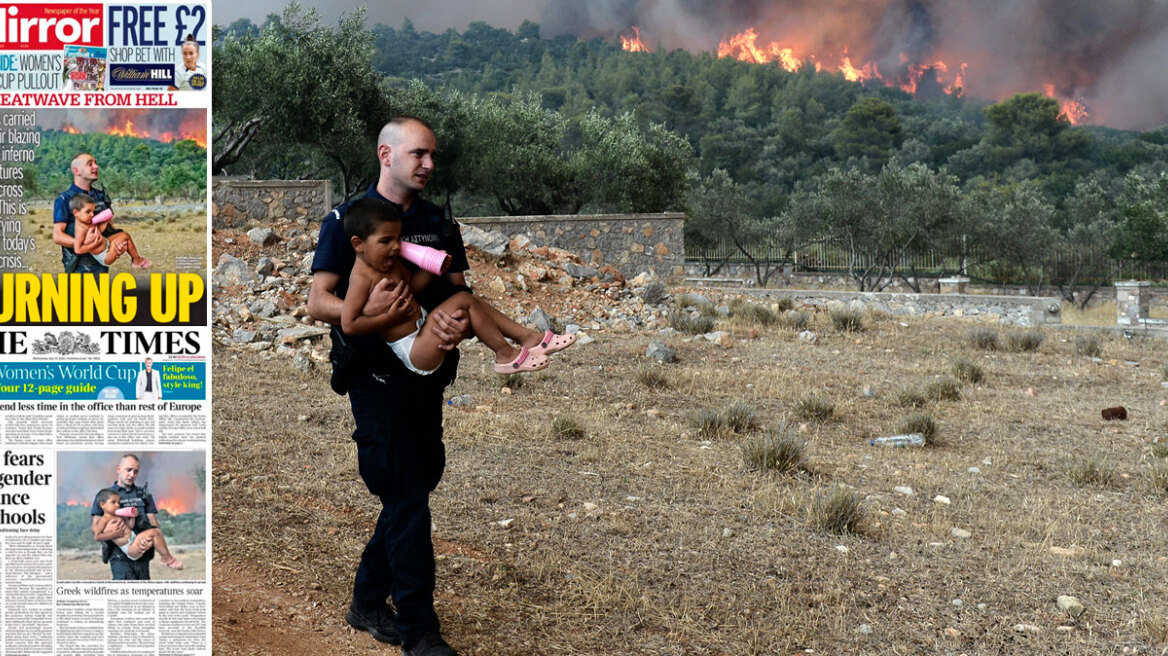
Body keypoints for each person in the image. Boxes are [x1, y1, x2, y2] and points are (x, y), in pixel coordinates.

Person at [309, 116, 506, 656]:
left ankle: (367, 600)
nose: (429, 165)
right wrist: (363, 307)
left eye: (433, 156)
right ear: (386, 154)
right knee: (404, 491)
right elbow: (317, 300)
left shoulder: (440, 224)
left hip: (426, 372)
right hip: (372, 378)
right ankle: (419, 628)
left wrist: (453, 323)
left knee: (415, 486)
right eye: (419, 154)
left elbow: (459, 291)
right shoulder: (348, 219)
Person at [342, 198, 574, 375]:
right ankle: (506, 354)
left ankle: (529, 339)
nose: (395, 247)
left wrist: (433, 269)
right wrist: (389, 318)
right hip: (413, 349)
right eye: (385, 241)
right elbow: (349, 324)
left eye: (397, 239)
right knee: (464, 299)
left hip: (423, 329)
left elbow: (412, 286)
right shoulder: (361, 277)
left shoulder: (389, 263)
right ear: (358, 244)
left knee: (469, 304)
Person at [53, 153, 151, 273]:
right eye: (90, 164)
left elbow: (109, 227)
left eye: (96, 163)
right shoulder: (65, 199)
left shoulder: (100, 195)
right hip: (79, 268)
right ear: (76, 171)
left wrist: (116, 245)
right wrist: (84, 242)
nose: (96, 167)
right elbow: (57, 236)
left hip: (101, 264)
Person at [90, 454, 182, 579]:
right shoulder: (106, 496)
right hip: (119, 556)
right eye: (128, 470)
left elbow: (153, 523)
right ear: (118, 469)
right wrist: (114, 533)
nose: (132, 474)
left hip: (142, 553)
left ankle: (167, 559)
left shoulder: (143, 494)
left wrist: (152, 541)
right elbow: (95, 527)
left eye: (136, 471)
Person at [92, 489, 175, 563]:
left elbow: (130, 526)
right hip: (129, 547)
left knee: (157, 532)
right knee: (153, 532)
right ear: (102, 505)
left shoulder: (120, 515)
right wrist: (114, 534)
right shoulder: (104, 520)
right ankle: (166, 558)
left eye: (118, 502)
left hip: (134, 539)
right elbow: (97, 536)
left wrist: (133, 516)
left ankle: (161, 554)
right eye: (113, 502)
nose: (117, 505)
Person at [69, 193, 145, 272]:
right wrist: (93, 245)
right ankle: (137, 261)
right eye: (88, 212)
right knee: (124, 236)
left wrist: (106, 220)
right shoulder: (81, 228)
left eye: (93, 211)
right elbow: (78, 250)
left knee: (124, 235)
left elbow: (98, 232)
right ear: (76, 212)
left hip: (106, 244)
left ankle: (136, 259)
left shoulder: (86, 222)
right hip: (105, 256)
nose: (92, 214)